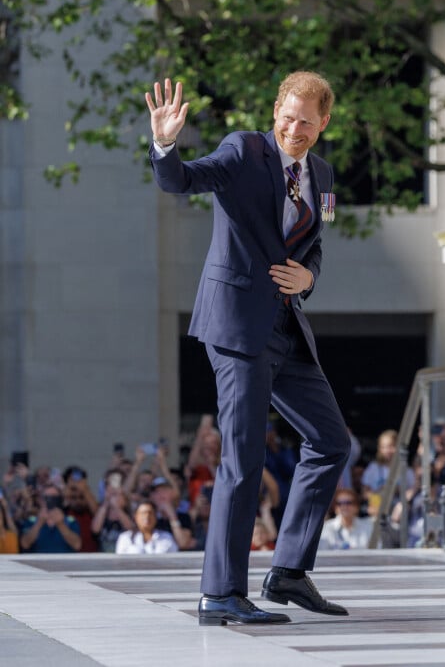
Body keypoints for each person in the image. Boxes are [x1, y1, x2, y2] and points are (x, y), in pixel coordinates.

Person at [146, 71, 351, 626]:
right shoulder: (244, 150)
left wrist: (307, 278)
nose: (294, 129)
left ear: (323, 122)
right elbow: (182, 181)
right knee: (243, 457)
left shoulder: (325, 178)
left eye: (307, 121)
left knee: (332, 442)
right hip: (237, 325)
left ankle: (287, 571)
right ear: (276, 108)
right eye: (287, 116)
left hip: (286, 328)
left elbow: (318, 244)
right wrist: (165, 145)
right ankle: (220, 593)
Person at [19, 484, 82, 553]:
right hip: (39, 563)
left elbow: (77, 545)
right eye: (46, 497)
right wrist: (39, 523)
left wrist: (61, 524)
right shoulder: (31, 521)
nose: (50, 500)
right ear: (40, 500)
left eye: (54, 498)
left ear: (60, 500)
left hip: (64, 563)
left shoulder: (70, 521)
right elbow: (25, 544)